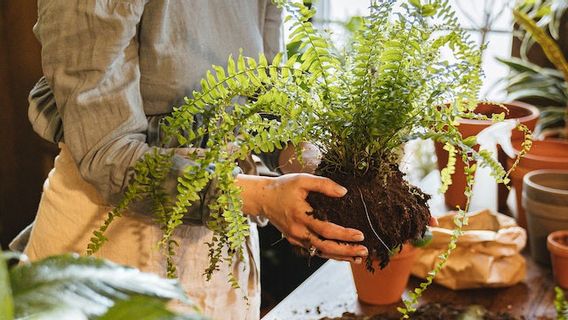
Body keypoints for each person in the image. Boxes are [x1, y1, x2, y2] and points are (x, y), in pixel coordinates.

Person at [10, 1, 368, 319]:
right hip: (112, 247)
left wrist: (331, 176)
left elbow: (265, 103)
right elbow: (109, 154)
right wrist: (263, 197)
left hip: (221, 253)